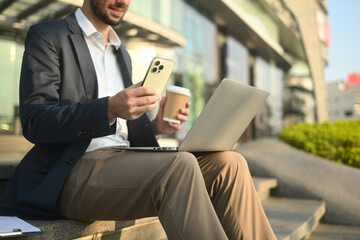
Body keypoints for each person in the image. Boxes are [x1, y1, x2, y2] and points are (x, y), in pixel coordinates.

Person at [0, 0, 277, 239]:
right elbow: (36, 120)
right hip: (71, 171)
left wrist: (157, 126)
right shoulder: (49, 36)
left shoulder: (122, 53)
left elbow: (122, 125)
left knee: (230, 163)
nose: (123, 1)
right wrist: (109, 108)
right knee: (179, 167)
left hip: (121, 161)